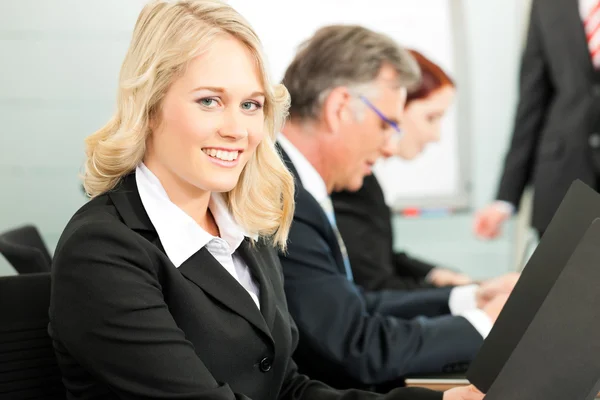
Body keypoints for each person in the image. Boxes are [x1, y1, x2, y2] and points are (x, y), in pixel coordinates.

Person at [47, 2, 482, 399]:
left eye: (251, 105)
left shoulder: (244, 226)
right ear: (150, 105)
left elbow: (287, 387)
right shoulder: (103, 251)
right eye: (210, 101)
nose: (238, 129)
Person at [277, 25, 507, 392]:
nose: (389, 147)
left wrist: (468, 299)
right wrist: (482, 324)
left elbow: (353, 304)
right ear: (338, 109)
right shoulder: (283, 197)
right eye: (386, 126)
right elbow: (355, 344)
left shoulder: (300, 187)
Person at [331, 49, 520, 291]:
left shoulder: (367, 179)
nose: (436, 135)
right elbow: (376, 284)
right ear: (397, 107)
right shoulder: (351, 180)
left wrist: (436, 275)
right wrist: (464, 296)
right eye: (431, 118)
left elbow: (380, 257)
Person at [474, 0, 600, 239]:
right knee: (565, 275)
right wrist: (506, 197)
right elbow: (532, 100)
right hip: (562, 180)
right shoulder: (547, 4)